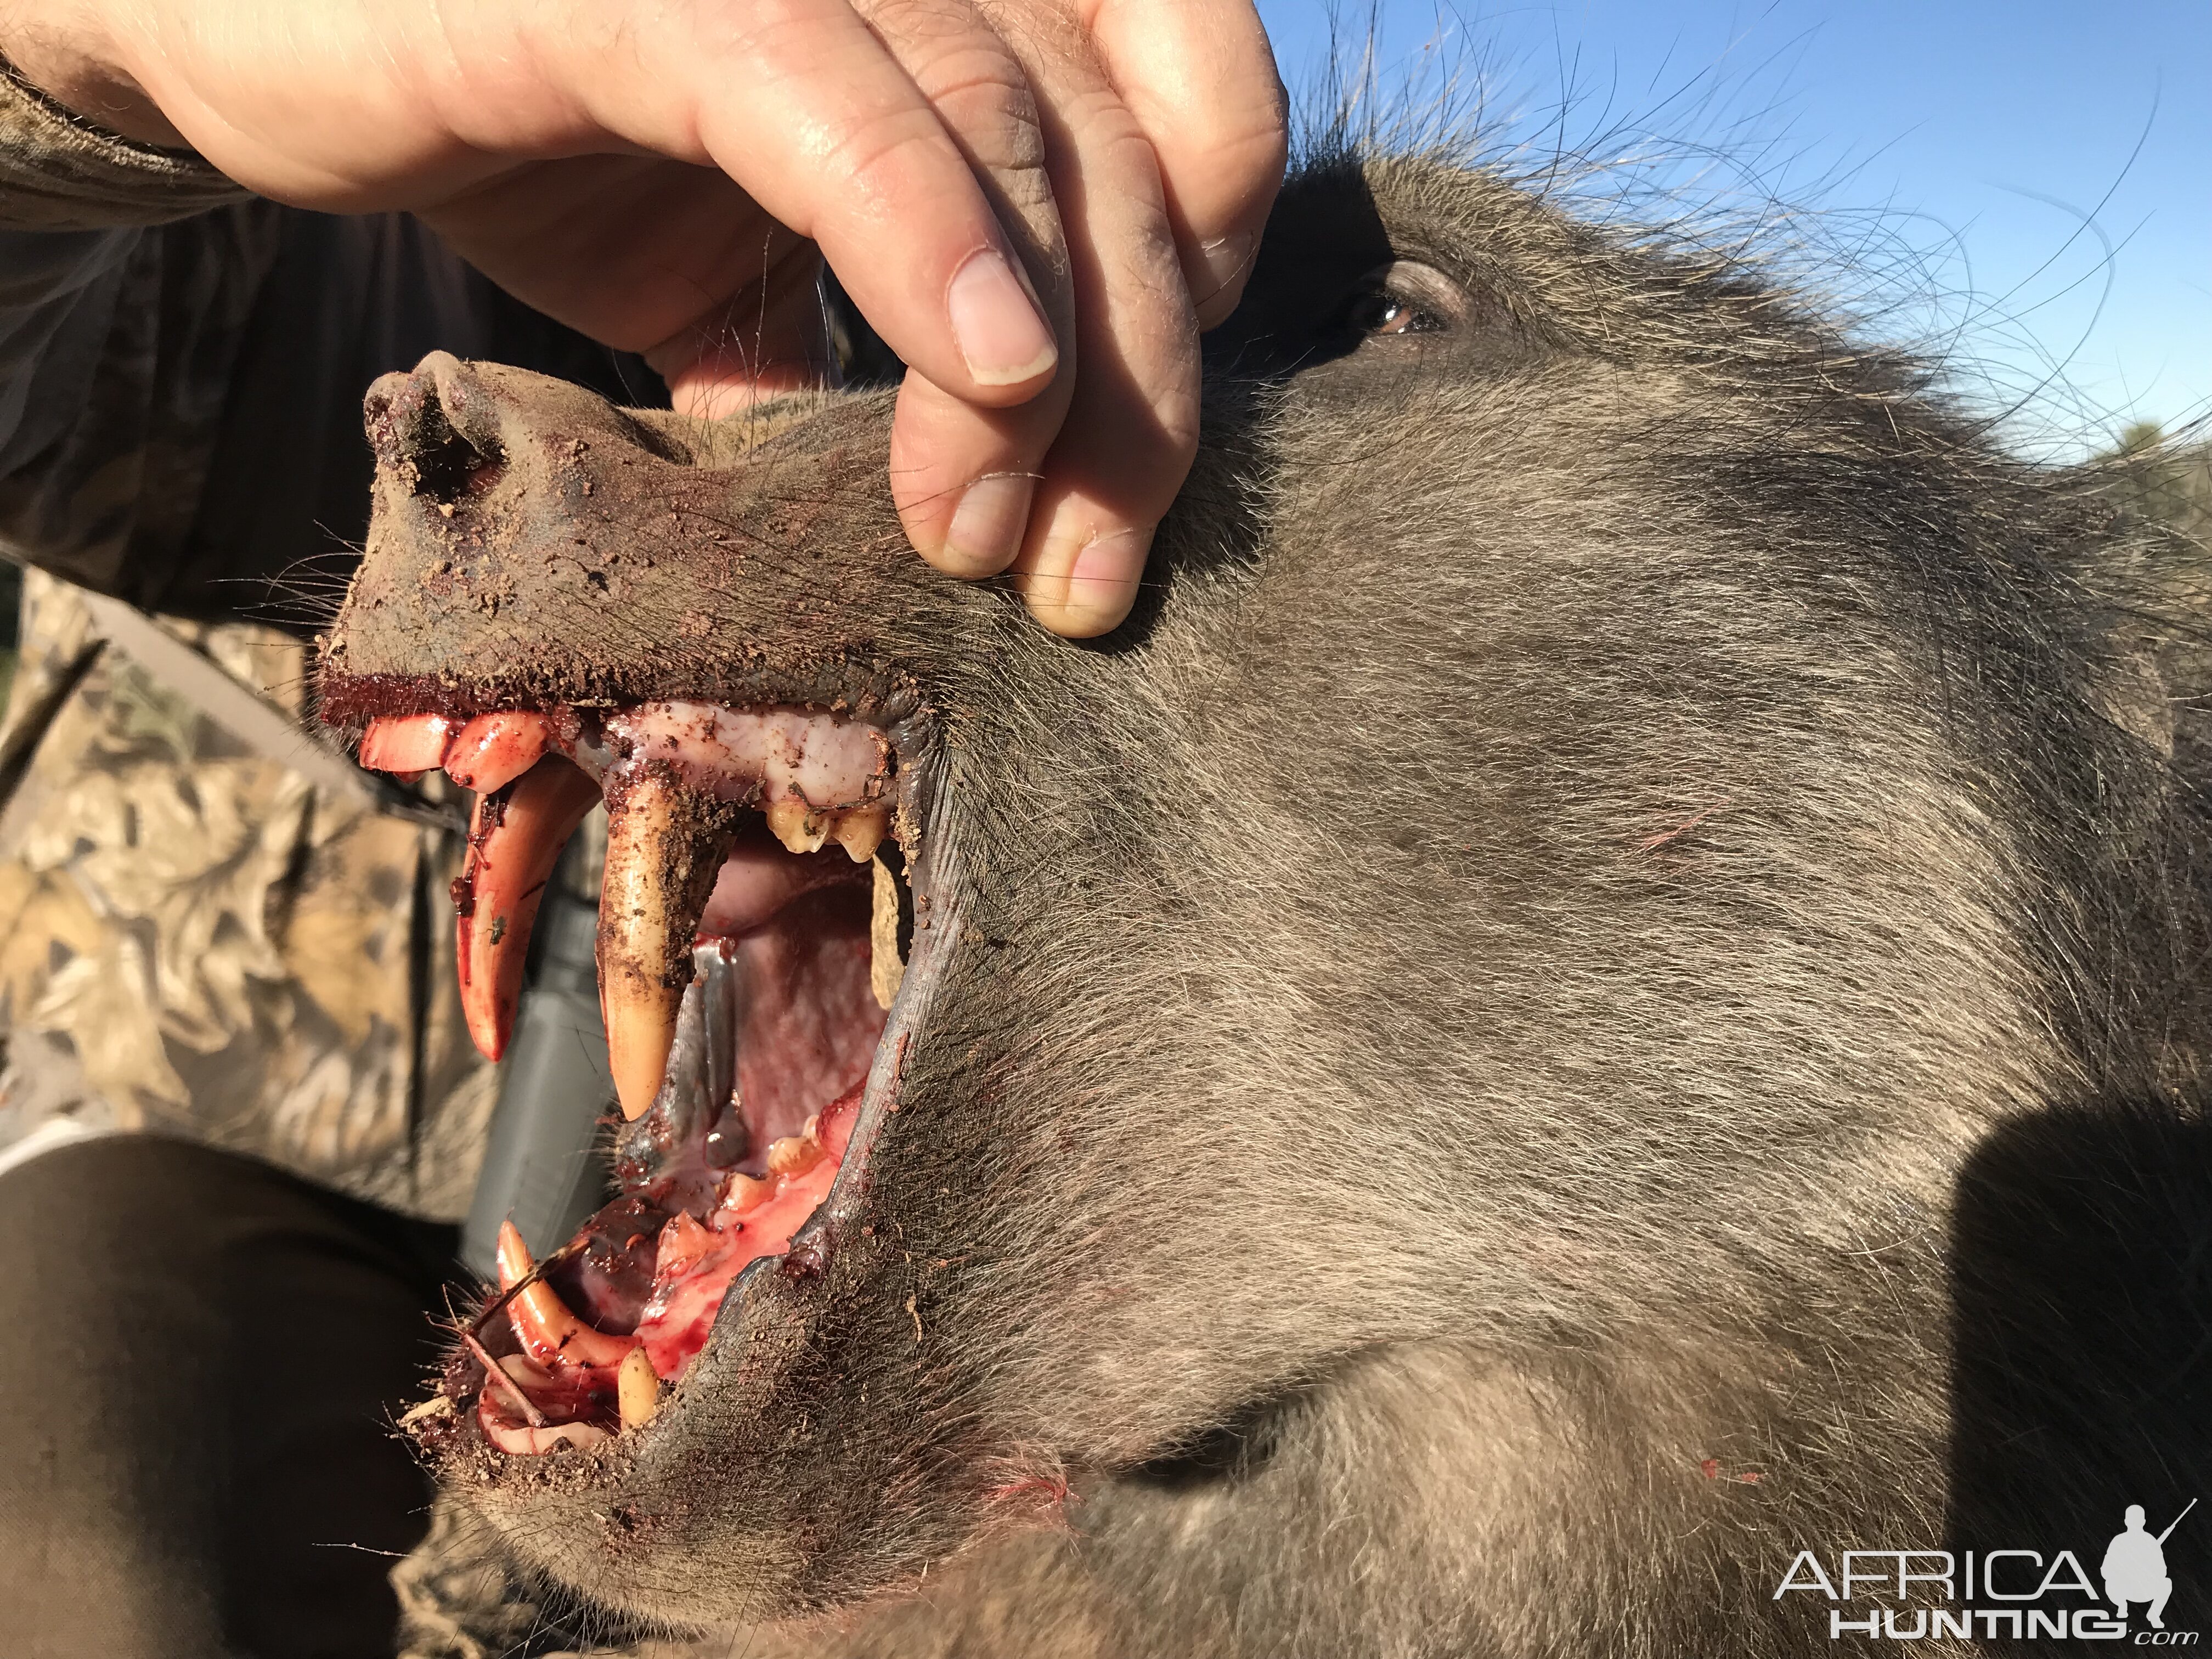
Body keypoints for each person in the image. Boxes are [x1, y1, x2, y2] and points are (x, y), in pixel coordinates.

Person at [0, 7, 1289, 1656]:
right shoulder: (303, 227)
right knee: (91, 1582)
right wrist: (93, 56)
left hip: (818, 1178)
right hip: (206, 1090)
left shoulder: (1016, 239)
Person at [2103, 1504, 2176, 1629]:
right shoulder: (2119, 1541)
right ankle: (2122, 1606)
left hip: (2145, 1590)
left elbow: (2162, 1571)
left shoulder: (2151, 1541)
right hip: (2123, 1589)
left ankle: (2154, 1615)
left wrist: (2146, 1571)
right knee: (2110, 1582)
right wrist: (2124, 1572)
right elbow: (2106, 1570)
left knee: (2166, 1583)